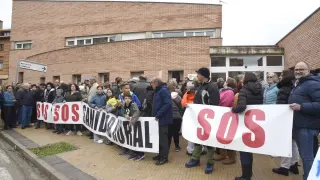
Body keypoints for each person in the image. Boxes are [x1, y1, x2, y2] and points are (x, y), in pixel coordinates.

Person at [288, 62, 320, 180]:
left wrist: (301, 107)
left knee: (307, 159)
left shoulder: (312, 84)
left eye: (302, 69)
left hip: (307, 128)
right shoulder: (298, 84)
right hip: (299, 126)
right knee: (307, 157)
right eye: (296, 69)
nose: (298, 71)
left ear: (309, 70)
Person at [185, 67, 220, 174]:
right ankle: (195, 159)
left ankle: (210, 163)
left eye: (198, 74)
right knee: (197, 139)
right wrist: (191, 107)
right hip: (199, 118)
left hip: (208, 119)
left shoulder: (212, 87)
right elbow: (198, 101)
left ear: (203, 75)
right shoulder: (201, 86)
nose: (197, 76)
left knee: (209, 141)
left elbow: (215, 104)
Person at [232, 72, 263, 180]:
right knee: (249, 149)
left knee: (244, 149)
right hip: (256, 123)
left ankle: (246, 175)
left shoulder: (244, 90)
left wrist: (232, 109)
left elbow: (241, 106)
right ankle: (248, 174)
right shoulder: (261, 89)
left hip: (245, 122)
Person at [272, 69, 299, 176]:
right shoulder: (294, 87)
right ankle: (294, 164)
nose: (279, 77)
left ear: (284, 77)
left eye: (281, 75)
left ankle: (284, 167)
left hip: (285, 120)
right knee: (293, 143)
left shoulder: (283, 89)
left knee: (285, 143)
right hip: (293, 119)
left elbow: (280, 107)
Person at [215, 77, 237, 165]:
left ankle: (232, 157)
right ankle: (222, 153)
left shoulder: (230, 92)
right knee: (222, 136)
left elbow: (225, 103)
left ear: (228, 84)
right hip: (222, 117)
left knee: (229, 137)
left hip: (228, 117)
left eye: (226, 81)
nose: (224, 82)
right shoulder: (223, 91)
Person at [151, 77, 172, 166]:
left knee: (163, 139)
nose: (151, 85)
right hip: (158, 119)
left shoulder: (163, 90)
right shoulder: (158, 91)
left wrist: (158, 114)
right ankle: (160, 155)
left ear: (155, 83)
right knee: (159, 138)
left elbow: (168, 103)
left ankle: (164, 158)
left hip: (163, 119)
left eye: (151, 83)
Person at [121, 92, 144, 161]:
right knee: (132, 139)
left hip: (135, 123)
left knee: (137, 138)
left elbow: (137, 112)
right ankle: (134, 153)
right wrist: (125, 115)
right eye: (125, 98)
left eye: (128, 98)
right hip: (130, 124)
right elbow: (123, 112)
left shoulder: (133, 104)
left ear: (131, 99)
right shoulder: (124, 105)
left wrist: (132, 121)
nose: (127, 99)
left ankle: (140, 154)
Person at [181, 80, 196, 156]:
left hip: (189, 116)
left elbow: (183, 103)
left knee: (190, 133)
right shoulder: (198, 93)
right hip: (198, 116)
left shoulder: (186, 94)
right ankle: (201, 149)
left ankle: (190, 150)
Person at [167, 83, 182, 152]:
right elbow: (181, 106)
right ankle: (177, 146)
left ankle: (168, 146)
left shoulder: (166, 96)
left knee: (169, 133)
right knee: (176, 132)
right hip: (177, 116)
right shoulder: (178, 96)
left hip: (169, 116)